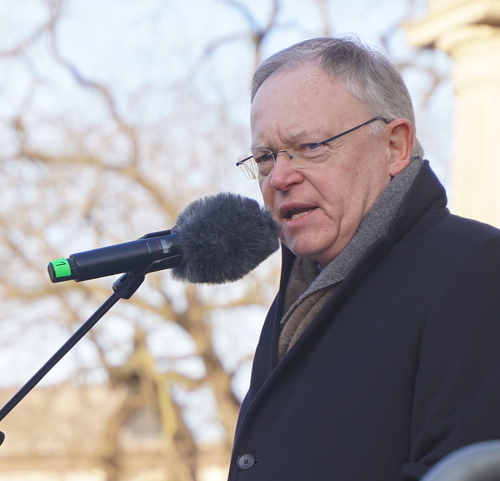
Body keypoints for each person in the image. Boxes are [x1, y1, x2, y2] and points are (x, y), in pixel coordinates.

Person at [229, 36, 500, 481]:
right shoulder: (295, 300)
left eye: (311, 146)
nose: (278, 176)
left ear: (394, 146)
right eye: (264, 157)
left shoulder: (476, 270)